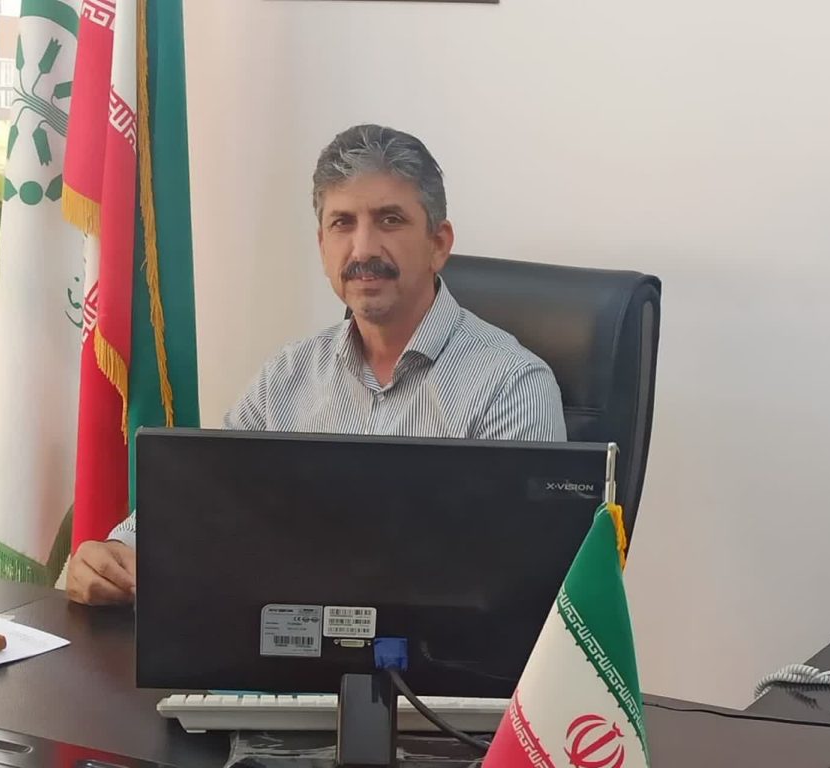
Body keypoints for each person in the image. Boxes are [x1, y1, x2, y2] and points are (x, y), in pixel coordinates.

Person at [65, 124, 566, 606]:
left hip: (440, 661)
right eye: (342, 223)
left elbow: (519, 584)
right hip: (285, 648)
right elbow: (205, 498)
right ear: (323, 245)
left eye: (390, 220)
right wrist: (120, 551)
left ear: (438, 244)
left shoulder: (511, 386)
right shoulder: (286, 379)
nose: (363, 249)